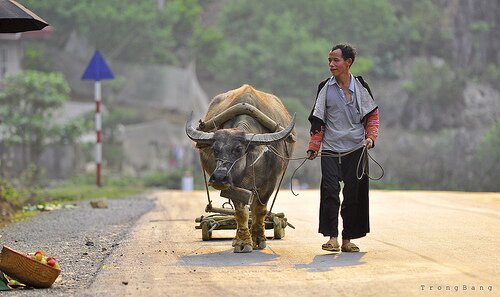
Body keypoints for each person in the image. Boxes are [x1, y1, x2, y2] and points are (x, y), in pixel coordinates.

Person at [307, 43, 379, 252]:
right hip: (330, 148)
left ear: (348, 62)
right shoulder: (325, 88)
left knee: (353, 194)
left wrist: (371, 138)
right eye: (329, 60)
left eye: (335, 60)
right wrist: (314, 146)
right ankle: (332, 238)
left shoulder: (361, 87)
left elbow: (372, 115)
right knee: (330, 191)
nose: (331, 64)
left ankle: (348, 239)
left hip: (356, 148)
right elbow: (318, 119)